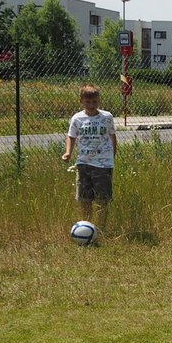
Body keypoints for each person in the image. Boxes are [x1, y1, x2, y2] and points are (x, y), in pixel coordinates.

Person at [61, 84, 117, 234]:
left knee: (103, 198)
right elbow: (71, 137)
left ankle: (101, 228)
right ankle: (86, 228)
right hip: (84, 163)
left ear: (99, 100)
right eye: (88, 102)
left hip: (103, 164)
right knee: (84, 198)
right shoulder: (77, 118)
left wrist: (112, 155)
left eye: (94, 102)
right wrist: (68, 153)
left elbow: (112, 135)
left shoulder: (106, 117)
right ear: (81, 101)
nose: (91, 105)